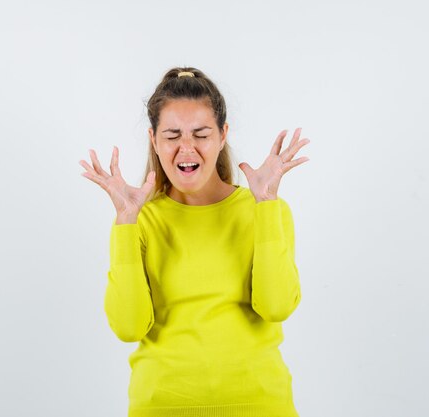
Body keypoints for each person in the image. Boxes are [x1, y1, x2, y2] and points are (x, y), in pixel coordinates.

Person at [79, 67, 310, 417]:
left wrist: (266, 206)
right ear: (154, 140)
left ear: (222, 136)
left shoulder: (263, 210)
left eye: (201, 134)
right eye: (172, 135)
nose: (186, 148)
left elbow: (276, 306)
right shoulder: (140, 220)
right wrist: (125, 222)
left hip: (262, 406)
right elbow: (128, 328)